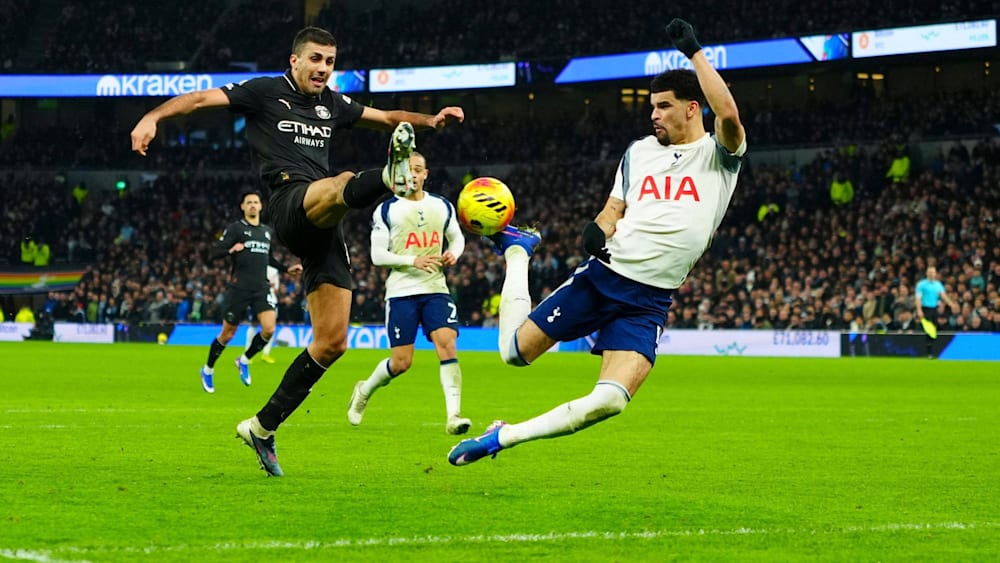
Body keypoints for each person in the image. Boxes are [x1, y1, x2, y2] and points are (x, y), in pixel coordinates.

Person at [131, 26, 463, 476]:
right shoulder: (264, 92)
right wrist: (152, 117)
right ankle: (390, 177)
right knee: (341, 181)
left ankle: (262, 427)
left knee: (331, 343)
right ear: (295, 60)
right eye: (316, 59)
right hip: (289, 203)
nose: (323, 68)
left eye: (330, 61)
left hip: (325, 225)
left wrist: (430, 121)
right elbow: (197, 100)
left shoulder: (333, 104)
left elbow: (387, 118)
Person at [448, 19, 746, 466]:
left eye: (664, 106)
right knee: (512, 353)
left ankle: (501, 439)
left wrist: (694, 52)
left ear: (692, 108)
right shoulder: (639, 152)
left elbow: (730, 115)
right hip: (605, 276)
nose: (653, 114)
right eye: (651, 107)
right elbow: (613, 209)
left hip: (650, 300)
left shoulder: (719, 155)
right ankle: (517, 251)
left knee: (610, 401)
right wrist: (597, 229)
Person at [347, 152, 471, 435]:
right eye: (407, 170)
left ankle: (454, 416)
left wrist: (454, 253)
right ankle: (364, 390)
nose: (413, 174)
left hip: (435, 288)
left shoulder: (442, 205)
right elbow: (377, 255)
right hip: (401, 291)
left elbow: (457, 238)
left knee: (447, 344)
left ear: (426, 174)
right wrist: (412, 260)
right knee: (401, 362)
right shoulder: (387, 209)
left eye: (417, 169)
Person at [199, 191, 301, 393]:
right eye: (249, 202)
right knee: (227, 334)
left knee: (269, 329)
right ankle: (208, 369)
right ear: (243, 207)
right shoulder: (236, 229)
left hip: (261, 288)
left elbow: (268, 258)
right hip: (239, 288)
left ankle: (244, 360)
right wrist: (230, 250)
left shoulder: (266, 232)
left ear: (261, 206)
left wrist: (286, 269)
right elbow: (213, 253)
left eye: (256, 202)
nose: (253, 205)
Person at [915, 265, 959, 357]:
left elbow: (943, 295)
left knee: (934, 329)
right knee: (929, 329)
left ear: (935, 274)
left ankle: (932, 350)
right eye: (929, 272)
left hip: (934, 309)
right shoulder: (921, 284)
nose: (931, 274)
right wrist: (919, 310)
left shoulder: (938, 284)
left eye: (933, 272)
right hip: (925, 308)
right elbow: (918, 298)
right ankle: (928, 351)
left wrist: (951, 304)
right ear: (927, 273)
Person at [244, 265, 282, 364]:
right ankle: (247, 353)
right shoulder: (256, 266)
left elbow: (276, 289)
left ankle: (266, 354)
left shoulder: (274, 270)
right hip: (257, 300)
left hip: (271, 300)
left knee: (271, 327)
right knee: (254, 324)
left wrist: (272, 287)